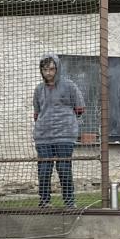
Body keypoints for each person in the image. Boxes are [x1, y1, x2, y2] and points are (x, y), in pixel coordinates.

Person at [33, 52, 86, 209]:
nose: (48, 73)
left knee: (64, 168)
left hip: (65, 135)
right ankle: (44, 202)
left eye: (51, 69)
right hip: (43, 136)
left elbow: (80, 108)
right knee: (44, 170)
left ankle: (69, 202)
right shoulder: (39, 89)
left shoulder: (69, 86)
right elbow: (37, 114)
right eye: (45, 69)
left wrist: (65, 121)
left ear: (58, 69)